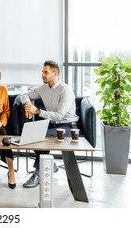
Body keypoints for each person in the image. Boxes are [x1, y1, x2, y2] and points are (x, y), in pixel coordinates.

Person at [21, 60, 78, 188]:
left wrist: (38, 111)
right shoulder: (43, 88)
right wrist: (28, 104)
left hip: (67, 126)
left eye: (45, 72)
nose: (42, 74)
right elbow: (24, 95)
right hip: (50, 124)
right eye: (42, 72)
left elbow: (59, 116)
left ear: (55, 73)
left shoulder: (65, 91)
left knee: (40, 140)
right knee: (30, 137)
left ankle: (38, 173)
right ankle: (50, 165)